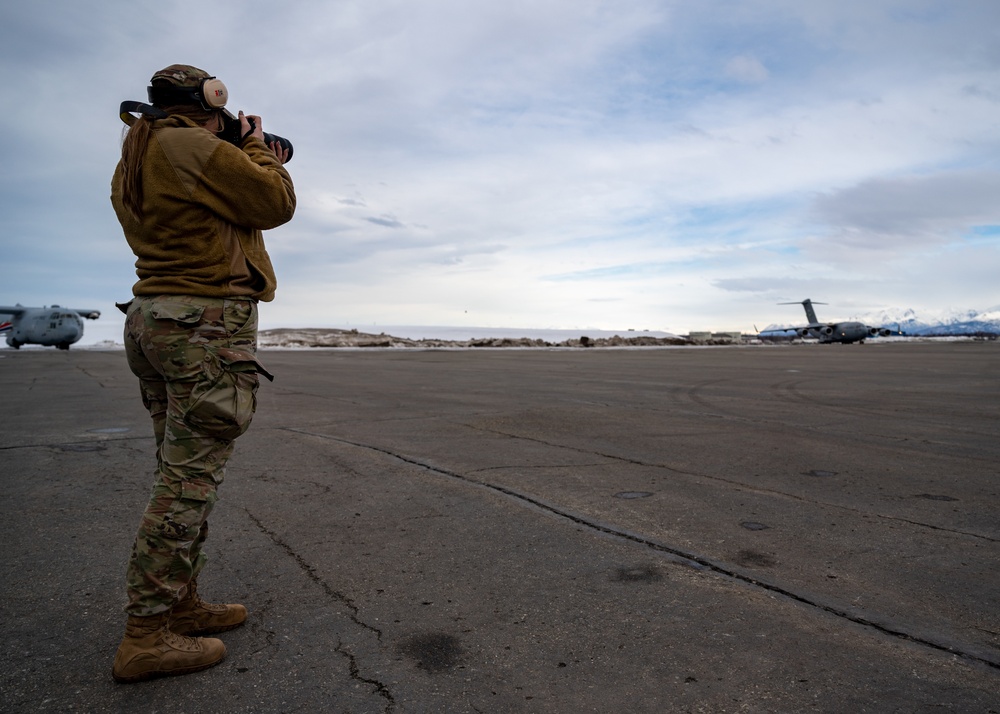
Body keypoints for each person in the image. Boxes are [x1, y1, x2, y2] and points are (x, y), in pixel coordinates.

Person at [109, 64, 295, 683]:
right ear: (211, 105)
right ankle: (145, 635)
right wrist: (257, 152)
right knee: (186, 484)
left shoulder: (140, 148)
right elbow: (273, 203)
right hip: (201, 324)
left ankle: (178, 605)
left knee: (178, 471)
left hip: (155, 318)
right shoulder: (190, 144)